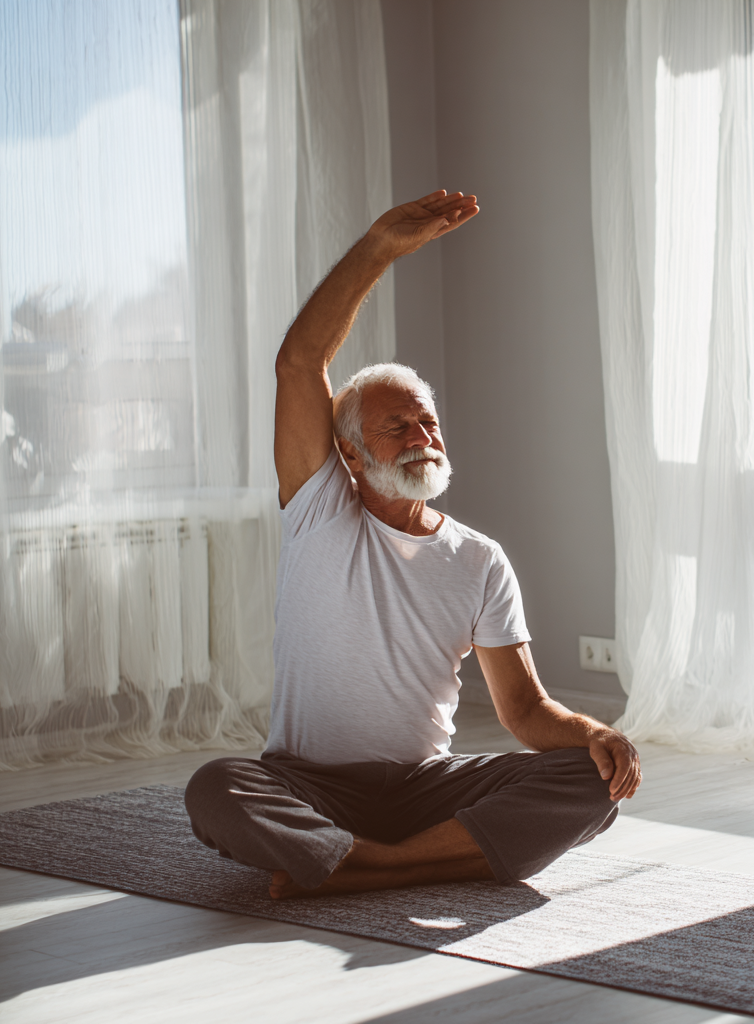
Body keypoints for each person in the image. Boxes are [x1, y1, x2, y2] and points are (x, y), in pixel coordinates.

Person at [185, 190, 642, 900]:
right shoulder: (320, 509)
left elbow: (525, 713)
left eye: (427, 422)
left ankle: (357, 867)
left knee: (591, 777)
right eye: (397, 426)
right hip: (310, 785)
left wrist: (593, 731)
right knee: (216, 787)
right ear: (352, 456)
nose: (421, 436)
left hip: (425, 786)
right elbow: (300, 364)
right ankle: (414, 858)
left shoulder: (480, 559)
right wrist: (378, 250)